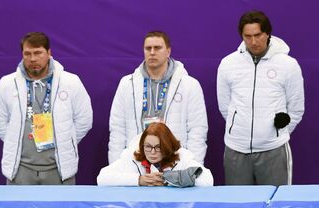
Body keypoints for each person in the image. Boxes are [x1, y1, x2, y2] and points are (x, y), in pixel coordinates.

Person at [0, 32, 93, 185]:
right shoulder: (7, 83)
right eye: (27, 54)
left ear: (49, 53)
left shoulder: (70, 82)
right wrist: (15, 139)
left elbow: (84, 120)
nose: (33, 59)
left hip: (59, 170)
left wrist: (65, 139)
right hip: (20, 169)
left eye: (38, 53)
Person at [217, 10, 305, 186]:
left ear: (267, 33)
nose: (253, 41)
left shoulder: (288, 65)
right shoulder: (228, 64)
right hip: (236, 149)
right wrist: (239, 127)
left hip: (274, 150)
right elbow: (225, 106)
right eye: (247, 36)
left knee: (276, 206)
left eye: (258, 35)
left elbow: (296, 108)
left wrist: (275, 134)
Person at [108, 31, 209, 165]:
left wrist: (192, 166)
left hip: (174, 160)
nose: (152, 52)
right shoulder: (127, 84)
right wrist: (117, 164)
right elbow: (117, 129)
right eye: (148, 48)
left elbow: (197, 130)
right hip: (136, 160)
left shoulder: (189, 85)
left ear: (168, 51)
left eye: (157, 48)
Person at [97, 123, 213, 187]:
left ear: (167, 146)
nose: (152, 152)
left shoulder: (181, 156)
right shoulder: (132, 156)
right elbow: (102, 178)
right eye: (148, 147)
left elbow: (208, 180)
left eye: (158, 147)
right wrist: (138, 180)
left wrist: (171, 179)